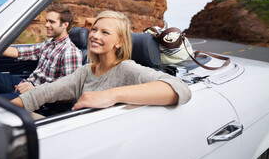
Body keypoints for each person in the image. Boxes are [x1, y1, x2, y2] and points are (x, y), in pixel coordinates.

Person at [11, 11, 191, 111]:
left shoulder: (127, 69)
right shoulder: (85, 71)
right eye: (94, 29)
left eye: (105, 32)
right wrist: (6, 109)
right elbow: (43, 93)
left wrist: (112, 95)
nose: (95, 36)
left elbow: (180, 88)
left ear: (120, 41)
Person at [0, 9, 83, 99]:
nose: (46, 25)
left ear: (65, 25)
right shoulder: (49, 43)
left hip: (37, 98)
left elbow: (68, 91)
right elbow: (21, 52)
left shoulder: (70, 52)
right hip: (27, 83)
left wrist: (35, 90)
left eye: (52, 22)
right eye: (47, 21)